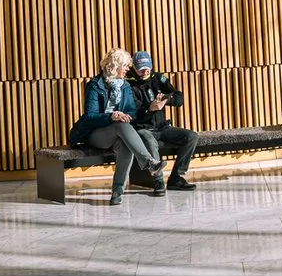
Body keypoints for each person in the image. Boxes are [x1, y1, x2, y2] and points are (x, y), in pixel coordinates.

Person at [70, 49, 164, 204]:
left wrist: (123, 115)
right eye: (125, 66)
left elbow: (132, 112)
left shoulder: (125, 86)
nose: (128, 69)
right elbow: (90, 116)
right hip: (94, 133)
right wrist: (112, 116)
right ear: (114, 66)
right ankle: (148, 162)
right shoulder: (95, 85)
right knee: (120, 125)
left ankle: (117, 193)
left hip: (118, 132)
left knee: (125, 145)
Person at [125, 51, 199, 191]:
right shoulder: (128, 84)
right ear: (134, 68)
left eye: (147, 66)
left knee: (191, 137)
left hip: (162, 127)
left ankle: (176, 177)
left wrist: (167, 99)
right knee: (150, 142)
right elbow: (132, 111)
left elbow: (179, 98)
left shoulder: (158, 78)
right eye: (141, 68)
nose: (145, 70)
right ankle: (158, 180)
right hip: (142, 128)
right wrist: (150, 108)